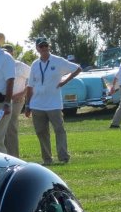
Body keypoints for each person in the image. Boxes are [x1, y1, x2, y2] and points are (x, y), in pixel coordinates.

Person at [24, 37, 81, 165]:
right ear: (37, 48)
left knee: (59, 130)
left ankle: (63, 157)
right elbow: (30, 86)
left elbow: (78, 68)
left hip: (54, 104)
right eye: (41, 46)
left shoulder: (57, 60)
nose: (44, 48)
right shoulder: (34, 64)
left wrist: (64, 81)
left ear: (48, 47)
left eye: (46, 46)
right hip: (37, 104)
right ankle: (47, 159)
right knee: (41, 132)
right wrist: (27, 105)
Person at [1, 44, 30, 157]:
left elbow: (34, 79)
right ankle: (5, 155)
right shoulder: (0, 66)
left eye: (8, 51)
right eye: (4, 52)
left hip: (17, 101)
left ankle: (14, 156)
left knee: (11, 127)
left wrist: (23, 93)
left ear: (13, 53)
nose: (6, 54)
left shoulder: (20, 66)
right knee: (2, 128)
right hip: (2, 101)